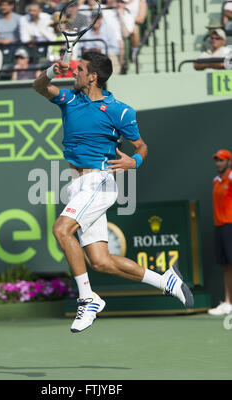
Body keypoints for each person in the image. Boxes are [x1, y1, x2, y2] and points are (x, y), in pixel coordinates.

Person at [32, 51, 194, 333]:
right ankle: (166, 281)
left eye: (80, 69)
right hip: (78, 185)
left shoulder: (120, 110)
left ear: (93, 76)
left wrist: (135, 161)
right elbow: (39, 86)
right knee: (101, 262)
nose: (75, 72)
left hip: (100, 183)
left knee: (61, 229)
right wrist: (51, 70)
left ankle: (88, 299)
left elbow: (141, 146)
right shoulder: (70, 99)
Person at [208, 149, 232, 316]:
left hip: (231, 225)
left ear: (228, 162)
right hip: (220, 227)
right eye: (217, 160)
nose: (218, 163)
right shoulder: (216, 181)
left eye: (222, 160)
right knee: (225, 267)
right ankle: (228, 302)